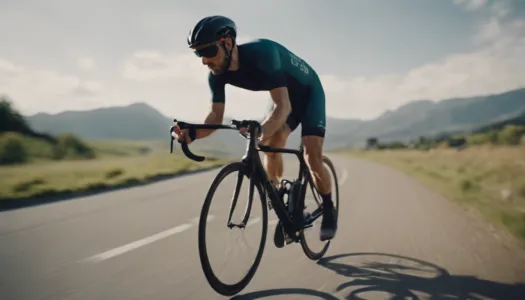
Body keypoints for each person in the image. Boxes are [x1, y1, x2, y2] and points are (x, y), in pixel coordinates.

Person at [174, 15, 337, 244]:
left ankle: (329, 208)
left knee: (311, 155)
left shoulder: (263, 53)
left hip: (308, 93)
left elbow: (283, 107)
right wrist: (191, 134)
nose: (203, 60)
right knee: (270, 144)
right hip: (284, 97)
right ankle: (282, 200)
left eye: (208, 51)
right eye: (198, 53)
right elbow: (215, 116)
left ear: (228, 43)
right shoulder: (216, 75)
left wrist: (259, 131)